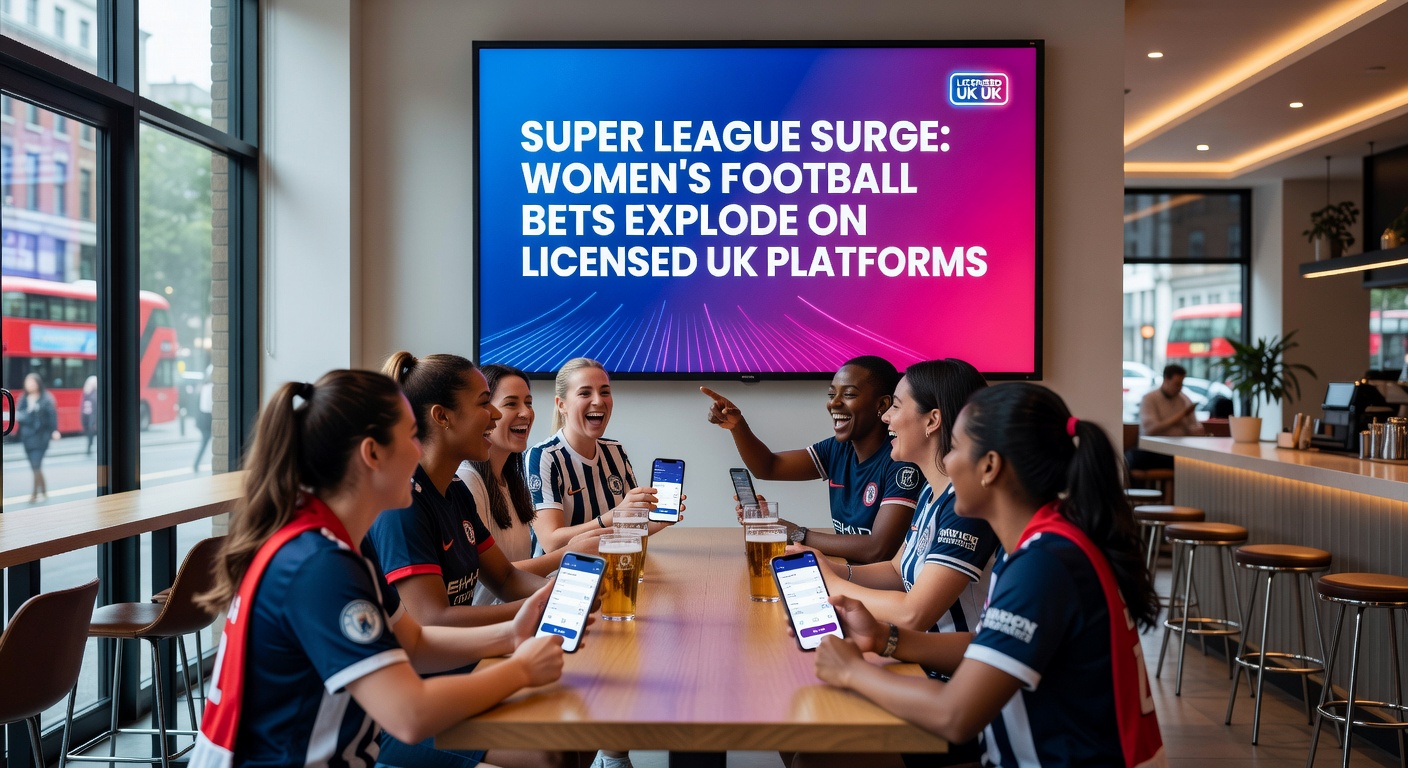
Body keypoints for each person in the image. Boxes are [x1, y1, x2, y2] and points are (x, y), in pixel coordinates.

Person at [190, 370, 575, 768]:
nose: (419, 450)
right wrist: (521, 671)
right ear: (372, 453)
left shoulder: (338, 542)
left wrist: (512, 636)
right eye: (411, 436)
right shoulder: (318, 565)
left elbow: (413, 643)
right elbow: (409, 716)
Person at [811, 383, 1164, 768]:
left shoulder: (1044, 564)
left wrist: (851, 672)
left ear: (991, 466)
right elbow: (988, 647)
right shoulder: (1047, 542)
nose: (948, 459)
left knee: (823, 756)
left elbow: (955, 715)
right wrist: (886, 638)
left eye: (957, 447)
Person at [371, 352, 585, 768]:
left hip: (450, 674)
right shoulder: (403, 505)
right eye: (484, 402)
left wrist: (566, 595)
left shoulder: (457, 493)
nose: (493, 415)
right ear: (442, 417)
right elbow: (430, 619)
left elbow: (504, 576)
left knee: (572, 725)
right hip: (398, 710)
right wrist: (536, 612)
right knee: (551, 752)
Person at [787, 358, 996, 767]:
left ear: (933, 420)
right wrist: (829, 568)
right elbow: (897, 571)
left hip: (956, 685)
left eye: (895, 406)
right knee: (798, 724)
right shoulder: (933, 495)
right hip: (921, 667)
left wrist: (826, 584)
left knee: (814, 749)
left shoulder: (965, 504)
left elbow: (914, 611)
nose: (885, 417)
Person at [702, 355, 923, 564]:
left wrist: (795, 533)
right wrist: (737, 426)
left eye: (848, 394)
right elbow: (768, 467)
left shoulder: (902, 460)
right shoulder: (838, 449)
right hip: (846, 575)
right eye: (831, 394)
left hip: (882, 592)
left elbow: (878, 549)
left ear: (882, 405)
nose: (833, 403)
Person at [459, 363, 607, 606]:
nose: (526, 413)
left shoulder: (512, 481)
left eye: (528, 402)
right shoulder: (467, 481)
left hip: (518, 619)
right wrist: (568, 555)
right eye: (511, 403)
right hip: (491, 629)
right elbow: (495, 576)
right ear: (486, 411)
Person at [526, 358, 666, 555]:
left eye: (605, 392)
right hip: (556, 578)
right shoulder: (543, 456)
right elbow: (551, 543)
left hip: (609, 570)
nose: (598, 401)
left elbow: (630, 526)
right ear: (561, 405)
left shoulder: (615, 450)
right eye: (585, 393)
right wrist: (612, 517)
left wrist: (659, 520)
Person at [1132, 364, 1203, 471]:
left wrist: (1196, 431)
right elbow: (1150, 430)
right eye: (1176, 384)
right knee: (1135, 458)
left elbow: (1195, 428)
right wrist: (1181, 416)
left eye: (1181, 384)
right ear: (1166, 379)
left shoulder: (1184, 400)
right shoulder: (1149, 399)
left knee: (1195, 461)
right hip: (1154, 449)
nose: (1179, 388)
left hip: (1179, 448)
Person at [17, 372, 60, 503]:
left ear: (38, 384)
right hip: (27, 438)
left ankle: (35, 493)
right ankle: (44, 490)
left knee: (36, 465)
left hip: (41, 438)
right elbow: (19, 416)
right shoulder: (23, 399)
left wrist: (54, 430)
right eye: (27, 382)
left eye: (32, 382)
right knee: (35, 466)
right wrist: (29, 411)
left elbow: (52, 416)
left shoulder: (46, 398)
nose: (29, 385)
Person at [193, 366, 214, 472]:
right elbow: (209, 407)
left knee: (205, 441)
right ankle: (196, 464)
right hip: (207, 420)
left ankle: (196, 464)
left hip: (202, 419)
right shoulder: (210, 388)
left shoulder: (204, 386)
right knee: (205, 441)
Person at [81, 375, 98, 456]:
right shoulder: (86, 394)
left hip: (92, 418)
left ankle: (89, 448)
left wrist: (95, 421)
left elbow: (95, 409)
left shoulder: (95, 394)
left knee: (91, 434)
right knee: (88, 433)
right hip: (86, 417)